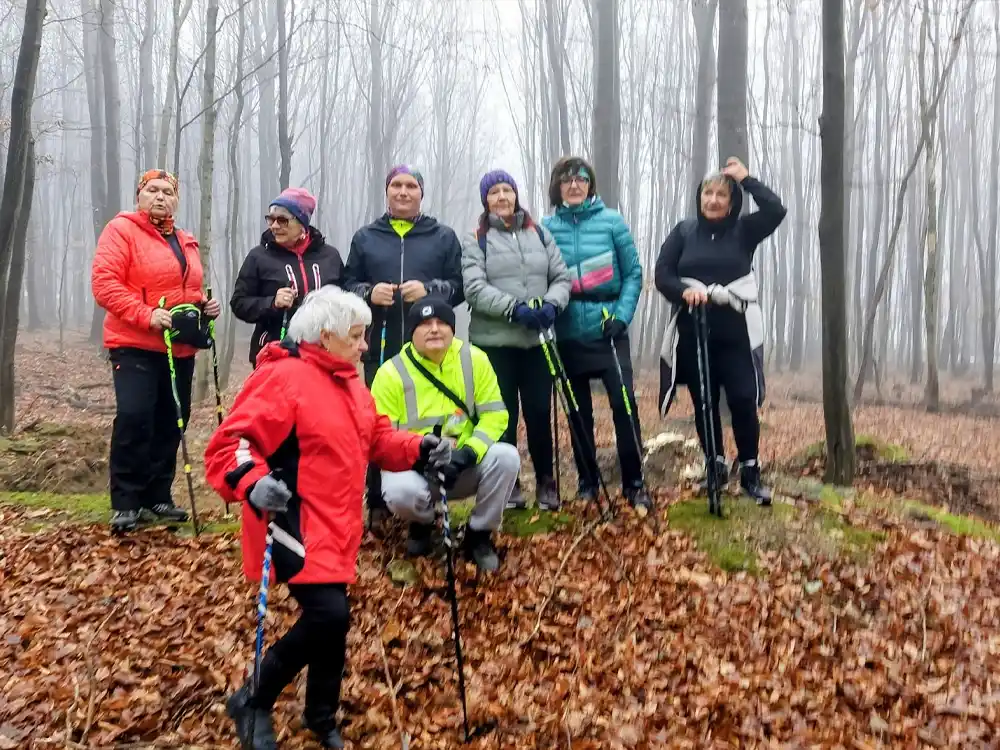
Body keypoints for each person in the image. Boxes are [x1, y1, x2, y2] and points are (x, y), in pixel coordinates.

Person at [203, 286, 452, 750]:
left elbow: (378, 440)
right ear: (325, 336)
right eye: (357, 336)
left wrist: (420, 448)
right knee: (328, 614)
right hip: (293, 521)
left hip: (339, 524)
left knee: (333, 619)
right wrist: (253, 482)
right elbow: (230, 444)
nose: (364, 345)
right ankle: (253, 699)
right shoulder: (283, 378)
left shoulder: (352, 384)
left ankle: (320, 715)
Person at [91, 169, 221, 534]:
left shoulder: (184, 239)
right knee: (135, 416)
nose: (160, 197)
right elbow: (105, 285)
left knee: (172, 418)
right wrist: (146, 316)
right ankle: (126, 502)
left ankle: (157, 495)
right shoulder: (121, 231)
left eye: (167, 191)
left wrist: (204, 306)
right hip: (134, 344)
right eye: (152, 190)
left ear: (177, 199)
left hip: (178, 347)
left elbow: (189, 288)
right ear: (139, 195)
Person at [655, 157, 787, 505]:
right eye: (707, 193)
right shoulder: (684, 232)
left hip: (737, 333)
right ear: (699, 198)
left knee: (743, 399)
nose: (713, 200)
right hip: (694, 332)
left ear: (732, 201)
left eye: (721, 194)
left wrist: (746, 179)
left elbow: (776, 210)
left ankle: (750, 470)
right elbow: (662, 273)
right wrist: (683, 291)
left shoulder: (743, 231)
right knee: (704, 403)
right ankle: (714, 465)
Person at [343, 165, 464, 527]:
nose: (403, 191)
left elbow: (459, 286)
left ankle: (427, 491)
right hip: (379, 344)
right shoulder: (366, 237)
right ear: (386, 191)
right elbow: (347, 282)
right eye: (396, 184)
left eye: (411, 186)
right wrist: (368, 293)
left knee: (423, 416)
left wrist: (430, 290)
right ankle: (377, 499)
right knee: (375, 421)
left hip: (430, 345)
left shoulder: (442, 236)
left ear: (421, 194)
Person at [370, 298, 519, 572]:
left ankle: (479, 535)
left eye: (441, 323)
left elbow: (496, 415)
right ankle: (422, 523)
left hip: (463, 465)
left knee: (507, 457)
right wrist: (418, 456)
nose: (435, 330)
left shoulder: (475, 359)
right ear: (412, 332)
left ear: (452, 328)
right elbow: (380, 437)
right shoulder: (390, 373)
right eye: (425, 324)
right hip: (416, 469)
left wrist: (468, 453)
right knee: (398, 490)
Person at [541, 156, 651, 512]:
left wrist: (622, 316)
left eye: (582, 179)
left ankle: (635, 482)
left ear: (591, 185)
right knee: (577, 413)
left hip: (608, 330)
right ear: (558, 186)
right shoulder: (544, 228)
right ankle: (588, 483)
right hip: (567, 330)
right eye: (567, 180)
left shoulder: (612, 221)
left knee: (624, 406)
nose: (575, 185)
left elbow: (634, 273)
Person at [461, 169, 571, 511]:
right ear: (486, 200)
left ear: (516, 195)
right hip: (495, 344)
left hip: (537, 342)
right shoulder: (475, 239)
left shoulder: (539, 233)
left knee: (540, 412)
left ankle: (546, 482)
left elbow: (561, 276)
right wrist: (514, 309)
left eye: (507, 190)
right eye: (494, 192)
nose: (502, 197)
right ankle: (508, 486)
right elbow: (474, 288)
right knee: (501, 415)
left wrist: (553, 304)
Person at [230, 187, 344, 366]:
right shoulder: (258, 257)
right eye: (271, 219)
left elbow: (345, 299)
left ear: (302, 223)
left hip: (322, 356)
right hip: (273, 355)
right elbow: (239, 303)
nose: (275, 226)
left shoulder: (330, 256)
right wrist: (272, 303)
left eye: (282, 220)